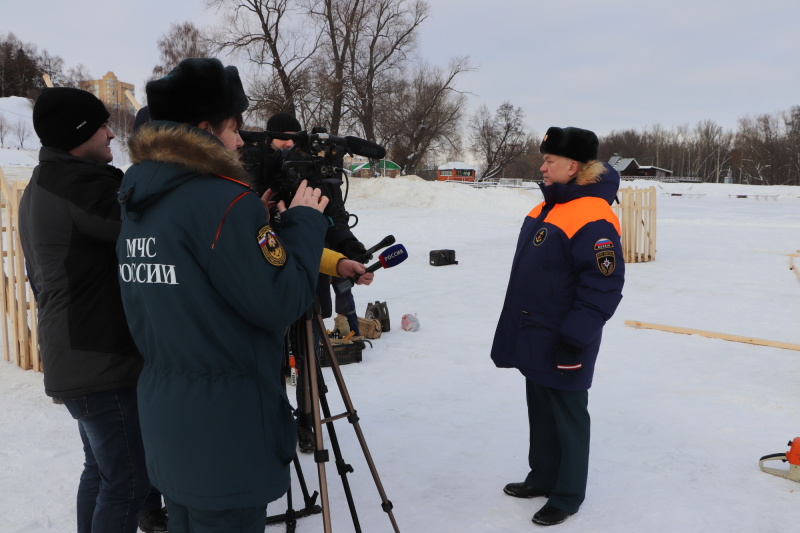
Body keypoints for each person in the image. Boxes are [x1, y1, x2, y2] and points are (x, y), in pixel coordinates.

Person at [115, 57, 331, 533]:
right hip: (226, 431)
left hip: (169, 420)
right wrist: (305, 222)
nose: (239, 141)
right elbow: (281, 300)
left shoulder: (139, 200)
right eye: (234, 128)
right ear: (205, 128)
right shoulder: (224, 201)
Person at [18, 87, 166, 533]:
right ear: (77, 133)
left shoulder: (47, 182)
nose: (111, 134)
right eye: (102, 125)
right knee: (129, 481)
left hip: (78, 356)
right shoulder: (78, 186)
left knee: (103, 473)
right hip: (98, 359)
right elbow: (144, 225)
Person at [490, 126, 625, 526]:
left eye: (550, 161)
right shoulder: (546, 207)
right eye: (544, 159)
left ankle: (567, 494)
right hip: (535, 331)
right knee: (541, 410)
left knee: (567, 414)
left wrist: (575, 338)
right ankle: (543, 476)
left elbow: (603, 285)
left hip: (566, 337)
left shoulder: (595, 215)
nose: (543, 167)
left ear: (576, 167)